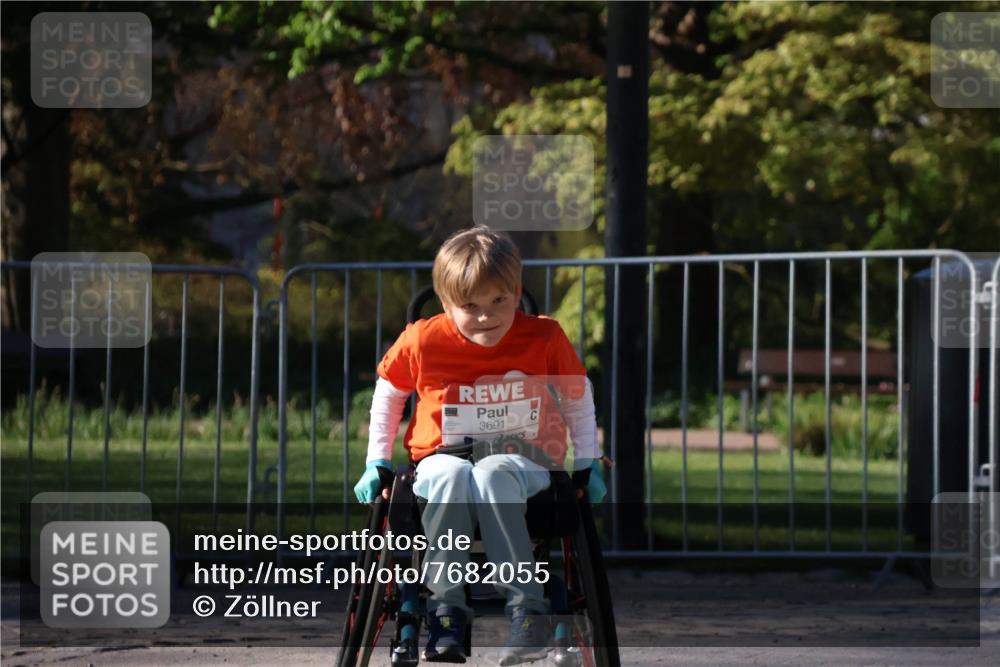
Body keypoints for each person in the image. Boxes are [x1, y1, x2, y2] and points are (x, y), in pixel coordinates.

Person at [354, 226, 606, 665]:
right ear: (447, 301)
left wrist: (587, 458)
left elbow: (577, 395)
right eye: (470, 306)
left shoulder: (544, 336)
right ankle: (447, 608)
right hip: (440, 457)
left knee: (493, 473)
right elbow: (389, 392)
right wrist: (377, 458)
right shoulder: (423, 338)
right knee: (450, 477)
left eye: (499, 302)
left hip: (522, 457)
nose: (486, 316)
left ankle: (526, 610)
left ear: (516, 292)